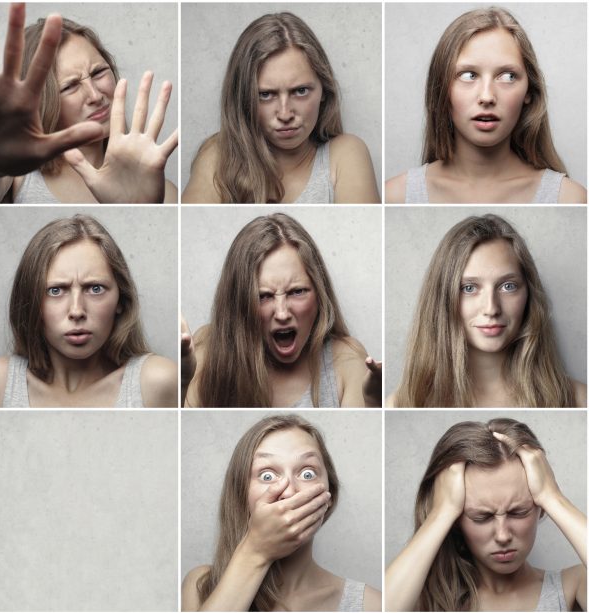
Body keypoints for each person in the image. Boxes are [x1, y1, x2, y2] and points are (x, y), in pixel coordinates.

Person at [0, 3, 178, 204]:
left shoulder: (165, 192)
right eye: (70, 86)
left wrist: (140, 208)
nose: (95, 95)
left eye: (98, 72)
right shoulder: (17, 176)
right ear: (41, 103)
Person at [385, 7, 587, 204]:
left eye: (507, 76)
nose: (487, 96)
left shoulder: (569, 198)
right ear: (441, 89)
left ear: (529, 91)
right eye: (468, 75)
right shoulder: (395, 196)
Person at [182, 414, 380, 611]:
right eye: (267, 475)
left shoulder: (370, 604)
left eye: (307, 473)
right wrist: (255, 551)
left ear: (329, 497)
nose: (290, 491)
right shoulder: (201, 586)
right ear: (241, 496)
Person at [385, 418, 586, 611]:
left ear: (540, 508)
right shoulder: (418, 596)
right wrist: (441, 513)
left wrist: (552, 497)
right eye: (482, 517)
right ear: (456, 521)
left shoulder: (573, 584)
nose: (503, 536)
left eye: (518, 512)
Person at [0, 214, 177, 407]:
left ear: (121, 300)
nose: (76, 311)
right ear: (30, 301)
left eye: (95, 288)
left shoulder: (156, 382)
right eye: (55, 290)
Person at [182, 213, 380, 408]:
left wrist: (372, 403)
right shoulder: (209, 351)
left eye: (297, 292)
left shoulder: (346, 360)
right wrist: (183, 382)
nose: (282, 313)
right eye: (263, 296)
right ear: (238, 303)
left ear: (320, 295)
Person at [389, 214, 586, 407]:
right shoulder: (403, 402)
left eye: (508, 286)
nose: (491, 308)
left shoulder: (579, 399)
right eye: (469, 288)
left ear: (529, 294)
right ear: (442, 299)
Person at [182, 12, 379, 204]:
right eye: (265, 95)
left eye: (300, 91)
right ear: (243, 98)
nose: (285, 114)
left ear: (324, 91)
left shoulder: (344, 154)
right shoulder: (219, 155)